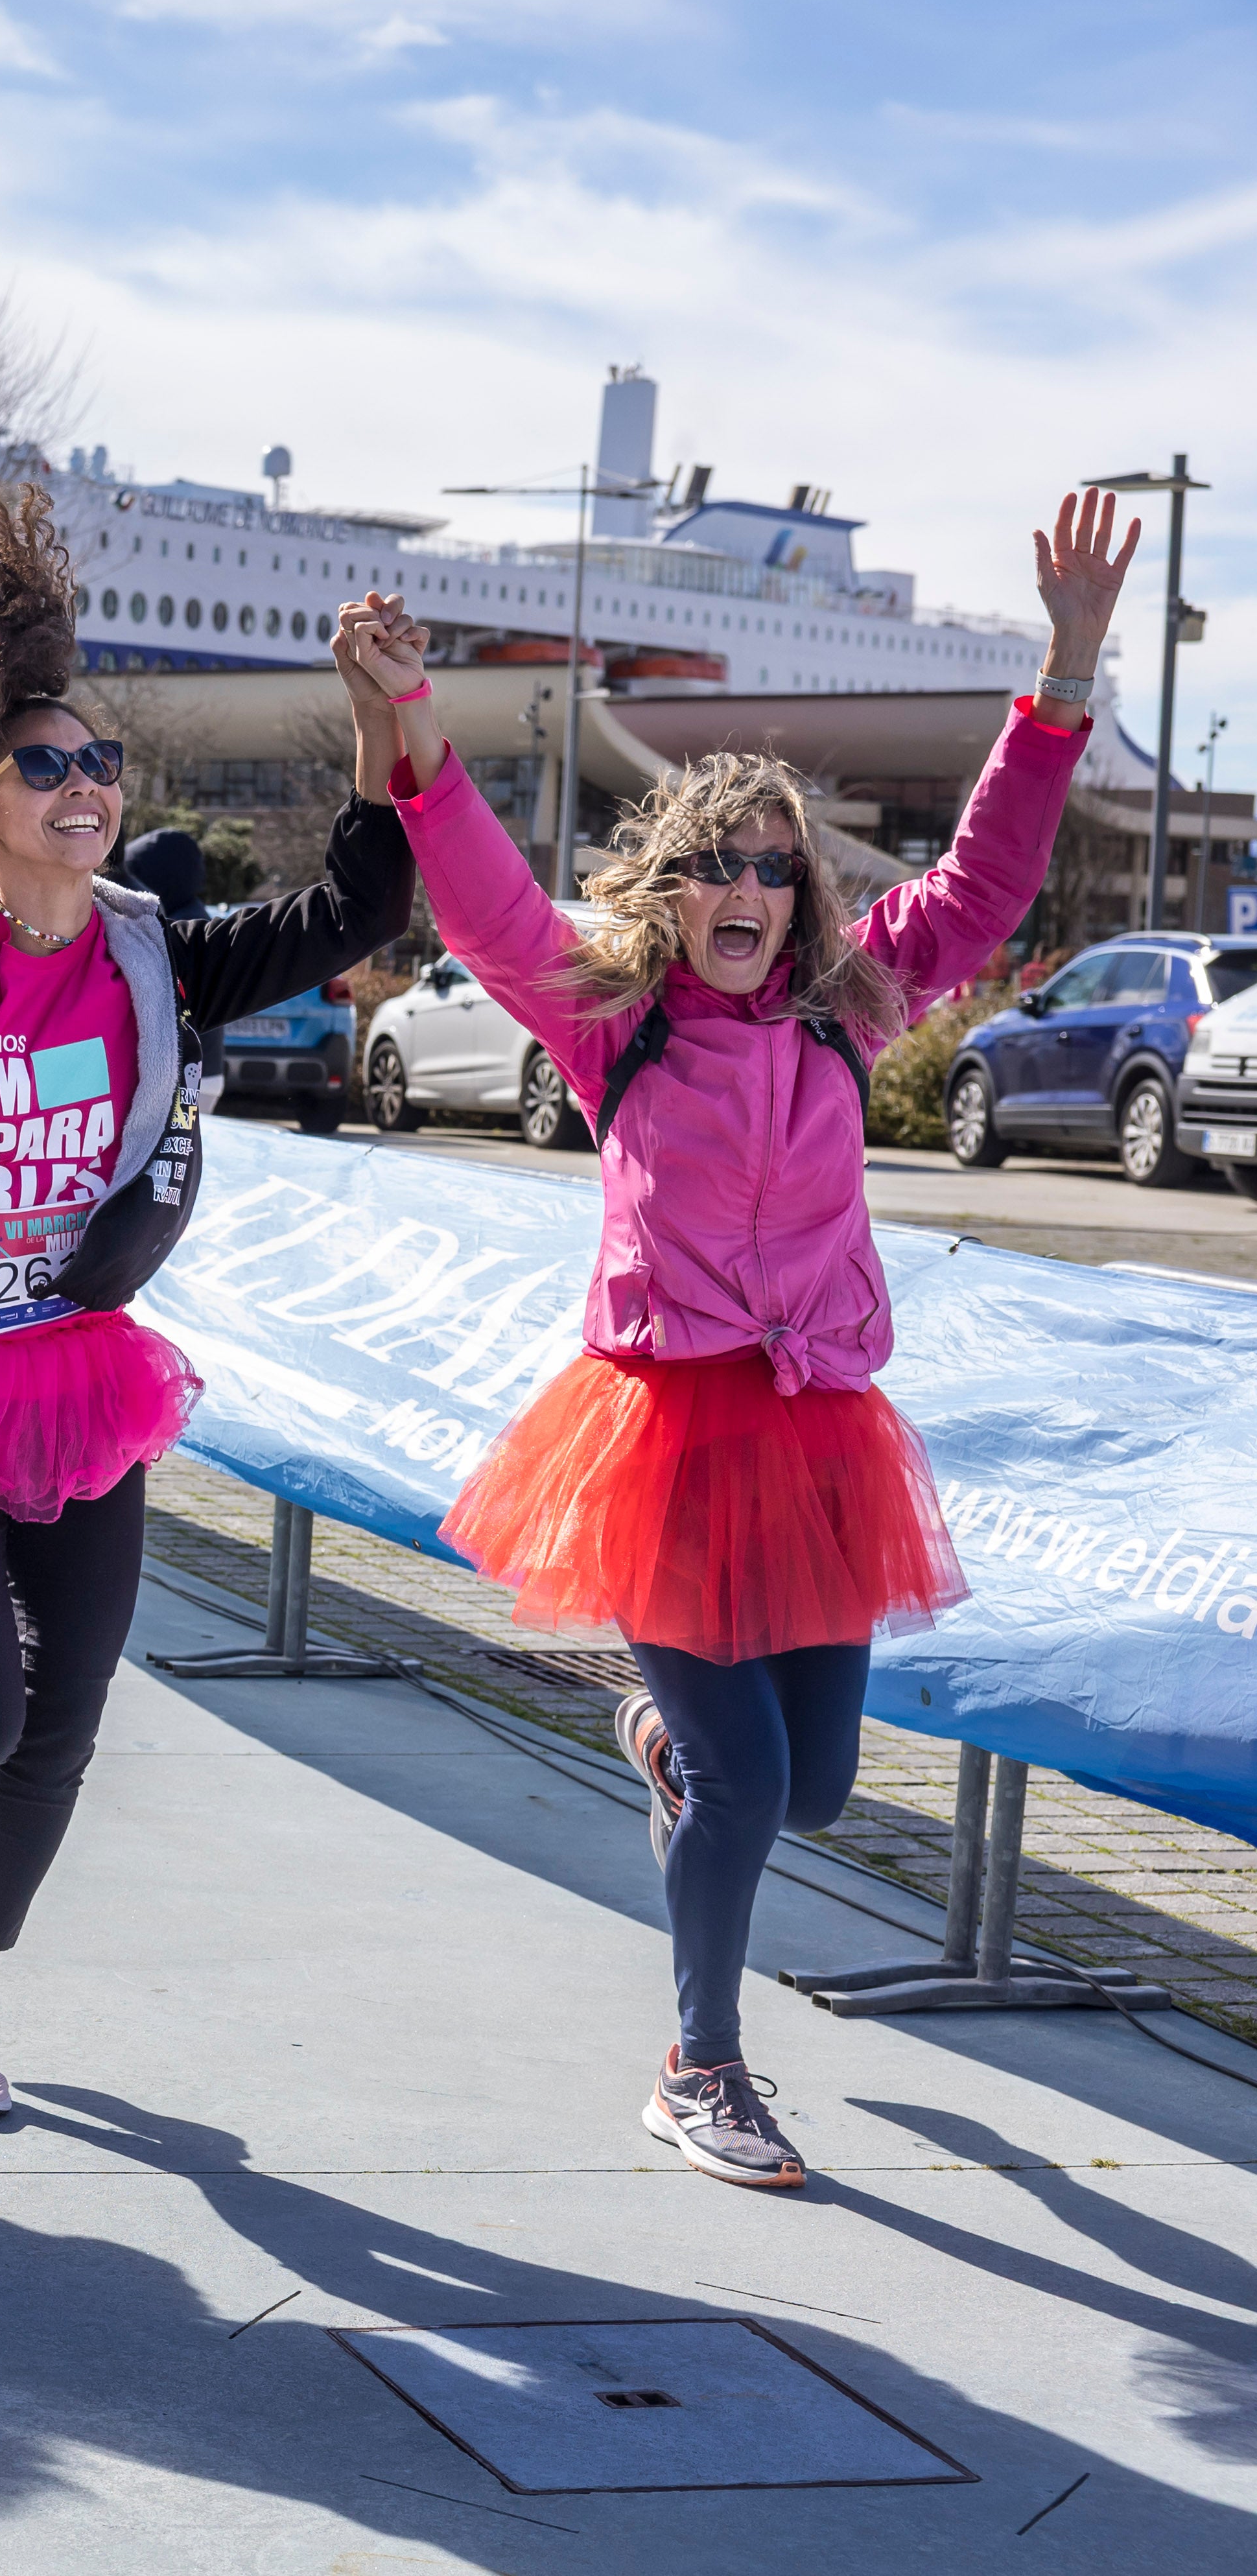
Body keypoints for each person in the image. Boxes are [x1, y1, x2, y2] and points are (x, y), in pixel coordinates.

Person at [345, 489, 1134, 2189]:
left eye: (778, 866)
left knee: (820, 1786)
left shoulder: (859, 1006)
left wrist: (1065, 669)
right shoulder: (611, 1017)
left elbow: (990, 878)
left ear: (805, 897)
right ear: (672, 886)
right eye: (720, 861)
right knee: (750, 1775)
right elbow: (483, 905)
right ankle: (700, 2064)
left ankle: (658, 1742)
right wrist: (414, 731)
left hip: (823, 1433)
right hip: (659, 1440)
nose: (752, 886)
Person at [0, 478, 421, 2124]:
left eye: (100, 763)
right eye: (48, 766)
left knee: (65, 1720)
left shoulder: (154, 952)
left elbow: (359, 910)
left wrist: (376, 721)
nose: (84, 784)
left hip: (83, 1376)